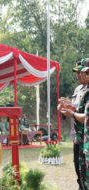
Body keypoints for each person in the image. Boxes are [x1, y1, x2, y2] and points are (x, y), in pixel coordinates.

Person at [60, 58, 89, 189]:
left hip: (86, 138)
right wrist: (68, 106)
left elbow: (86, 116)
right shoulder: (79, 89)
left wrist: (71, 113)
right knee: (80, 172)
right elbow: (79, 108)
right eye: (77, 73)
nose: (79, 75)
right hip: (78, 137)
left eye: (82, 72)